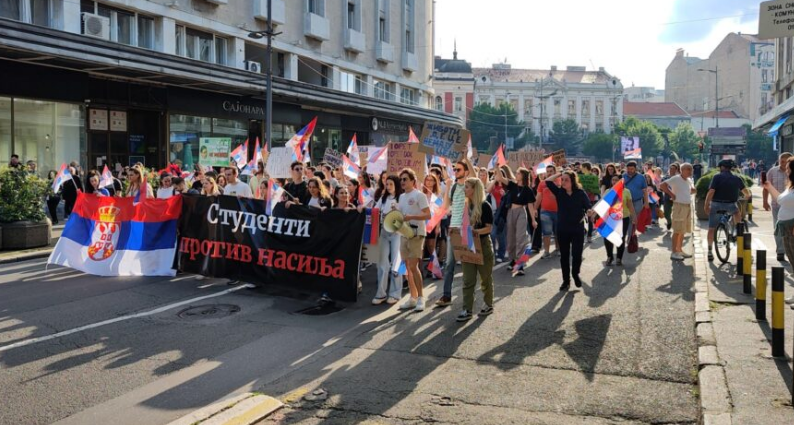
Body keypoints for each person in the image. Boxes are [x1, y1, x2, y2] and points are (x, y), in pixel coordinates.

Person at [544, 170, 593, 291]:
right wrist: (560, 173)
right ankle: (566, 281)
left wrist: (589, 211)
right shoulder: (559, 192)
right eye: (562, 179)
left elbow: (588, 207)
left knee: (577, 255)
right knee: (564, 256)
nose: (563, 182)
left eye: (566, 180)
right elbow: (548, 181)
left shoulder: (580, 193)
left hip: (577, 228)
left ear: (572, 181)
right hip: (562, 229)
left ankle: (575, 274)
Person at [457, 177, 495, 322]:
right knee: (468, 279)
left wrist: (474, 232)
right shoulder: (465, 205)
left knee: (485, 278)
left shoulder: (485, 205)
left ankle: (488, 304)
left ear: (474, 189)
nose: (464, 189)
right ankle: (467, 309)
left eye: (467, 187)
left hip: (483, 245)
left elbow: (489, 228)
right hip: (468, 245)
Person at [436, 158, 473, 308]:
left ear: (466, 171)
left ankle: (469, 296)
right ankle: (446, 296)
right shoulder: (452, 187)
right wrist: (448, 186)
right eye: (455, 169)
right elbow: (445, 206)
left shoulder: (470, 185)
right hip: (453, 228)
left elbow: (475, 174)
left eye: (458, 169)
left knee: (468, 264)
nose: (455, 172)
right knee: (449, 264)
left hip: (468, 229)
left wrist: (467, 158)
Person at [397, 168, 431, 312]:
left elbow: (428, 215)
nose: (403, 182)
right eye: (401, 179)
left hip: (417, 233)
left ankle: (421, 298)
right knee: (407, 266)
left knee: (413, 266)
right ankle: (412, 297)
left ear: (413, 181)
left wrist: (412, 217)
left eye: (405, 179)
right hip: (404, 233)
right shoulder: (401, 197)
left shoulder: (419, 195)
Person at [705, 159, 751, 262]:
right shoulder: (737, 178)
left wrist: (706, 204)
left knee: (711, 228)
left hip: (716, 204)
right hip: (731, 204)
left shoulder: (717, 177)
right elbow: (745, 191)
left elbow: (711, 191)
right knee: (737, 212)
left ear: (721, 167)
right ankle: (736, 231)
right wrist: (747, 196)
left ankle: (709, 251)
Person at [762, 157, 794, 304]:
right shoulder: (791, 186)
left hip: (792, 227)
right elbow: (781, 199)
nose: (786, 170)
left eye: (788, 168)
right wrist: (769, 187)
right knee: (792, 261)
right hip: (786, 227)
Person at [494, 166, 537, 274]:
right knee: (511, 238)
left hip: (521, 213)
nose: (516, 174)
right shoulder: (512, 185)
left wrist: (533, 220)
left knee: (520, 237)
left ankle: (520, 264)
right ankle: (513, 260)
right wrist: (497, 167)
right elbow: (500, 178)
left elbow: (530, 206)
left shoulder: (528, 190)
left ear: (523, 176)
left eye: (518, 173)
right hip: (510, 213)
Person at [373, 175, 403, 305]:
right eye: (387, 184)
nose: (389, 187)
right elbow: (375, 209)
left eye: (391, 184)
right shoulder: (383, 198)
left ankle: (396, 293)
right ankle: (381, 293)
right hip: (384, 232)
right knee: (382, 263)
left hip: (397, 233)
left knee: (396, 263)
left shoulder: (401, 198)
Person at [660, 163, 696, 260]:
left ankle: (679, 250)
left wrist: (694, 190)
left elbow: (691, 191)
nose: (690, 171)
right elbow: (662, 185)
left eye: (691, 169)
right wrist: (671, 194)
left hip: (687, 206)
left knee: (683, 230)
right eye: (688, 169)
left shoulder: (688, 180)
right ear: (682, 170)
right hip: (679, 206)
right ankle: (674, 252)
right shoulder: (676, 178)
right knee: (677, 230)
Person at [763, 152, 792, 262]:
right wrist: (765, 201)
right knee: (779, 228)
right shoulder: (772, 171)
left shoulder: (792, 173)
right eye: (781, 161)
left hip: (790, 206)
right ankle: (780, 251)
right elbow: (766, 188)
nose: (783, 164)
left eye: (785, 162)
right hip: (776, 205)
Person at [603, 175, 635, 266]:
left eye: (616, 180)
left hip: (623, 218)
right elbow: (604, 206)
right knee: (607, 238)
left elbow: (630, 205)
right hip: (610, 218)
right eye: (613, 180)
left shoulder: (626, 192)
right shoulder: (608, 191)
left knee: (620, 238)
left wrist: (634, 217)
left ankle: (619, 258)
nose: (614, 181)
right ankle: (609, 257)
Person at [535, 164, 560, 259]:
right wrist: (534, 209)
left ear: (555, 172)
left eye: (551, 171)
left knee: (558, 232)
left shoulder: (561, 181)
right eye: (548, 171)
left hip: (559, 211)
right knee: (546, 232)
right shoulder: (542, 183)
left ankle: (558, 249)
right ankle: (546, 251)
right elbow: (538, 197)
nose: (549, 173)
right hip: (545, 211)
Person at [623, 161, 649, 227]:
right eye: (628, 169)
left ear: (635, 169)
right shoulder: (623, 176)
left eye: (632, 169)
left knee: (634, 219)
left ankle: (631, 234)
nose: (630, 170)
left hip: (637, 201)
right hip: (626, 202)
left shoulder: (641, 177)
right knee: (627, 218)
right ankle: (629, 234)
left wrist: (646, 202)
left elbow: (645, 190)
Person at [661, 163, 680, 231]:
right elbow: (661, 187)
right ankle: (669, 222)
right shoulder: (665, 177)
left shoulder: (679, 178)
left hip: (677, 197)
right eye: (671, 168)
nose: (672, 170)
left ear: (676, 170)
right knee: (666, 213)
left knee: (677, 213)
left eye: (674, 169)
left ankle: (677, 226)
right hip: (667, 197)